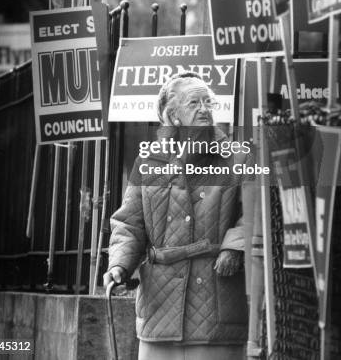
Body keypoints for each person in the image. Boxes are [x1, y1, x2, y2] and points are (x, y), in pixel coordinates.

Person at [103, 71, 247, 359]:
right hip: (159, 307)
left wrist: (234, 246)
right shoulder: (149, 160)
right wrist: (120, 264)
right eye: (194, 103)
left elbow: (252, 213)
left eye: (208, 101)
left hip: (215, 303)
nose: (205, 109)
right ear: (173, 115)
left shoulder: (236, 157)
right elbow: (129, 223)